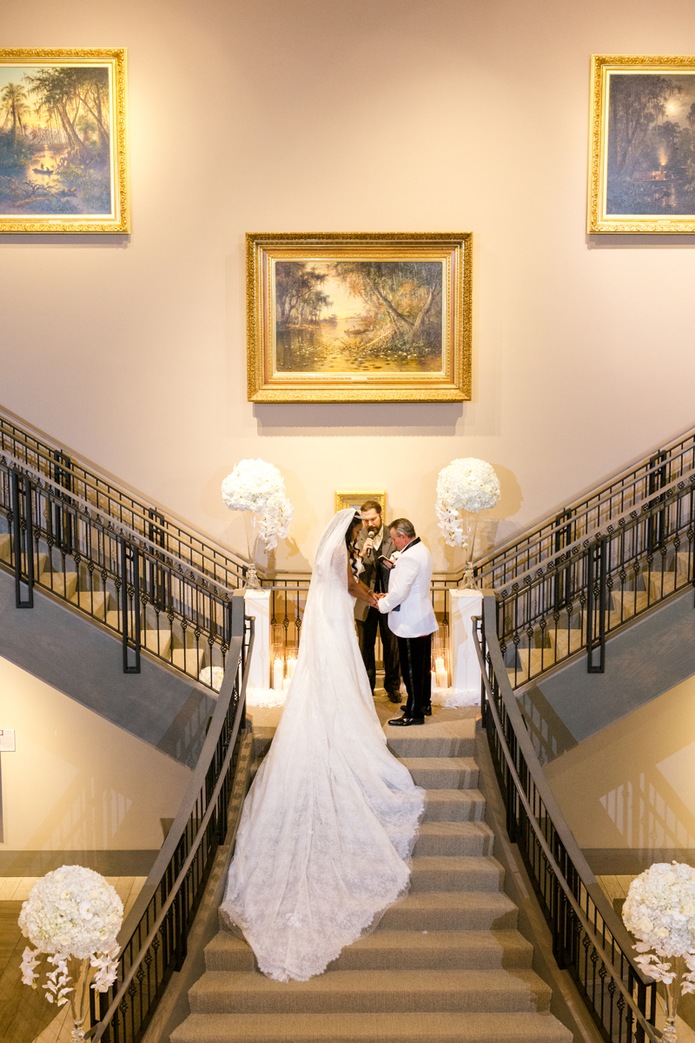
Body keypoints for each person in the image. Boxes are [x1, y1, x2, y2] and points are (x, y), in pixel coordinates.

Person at [220, 509, 425, 982]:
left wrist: (368, 591)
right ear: (349, 528)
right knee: (338, 673)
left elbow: (346, 582)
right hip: (334, 620)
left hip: (331, 619)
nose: (361, 533)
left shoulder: (334, 548)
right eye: (359, 527)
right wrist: (373, 595)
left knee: (336, 673)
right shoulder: (338, 551)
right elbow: (349, 585)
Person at [376, 518, 438, 727]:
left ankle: (414, 713)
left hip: (411, 622)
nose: (393, 542)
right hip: (421, 617)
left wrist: (382, 605)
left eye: (394, 539)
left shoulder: (409, 557)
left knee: (411, 669)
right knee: (422, 667)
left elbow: (400, 592)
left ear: (403, 536)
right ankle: (423, 703)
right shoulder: (422, 549)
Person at [354, 499, 402, 703]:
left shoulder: (393, 534)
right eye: (365, 520)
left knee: (392, 645)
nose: (369, 524)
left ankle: (392, 687)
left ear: (381, 515)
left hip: (389, 599)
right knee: (365, 645)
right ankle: (367, 687)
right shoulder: (357, 537)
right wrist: (362, 553)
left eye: (372, 519)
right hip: (365, 600)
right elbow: (352, 569)